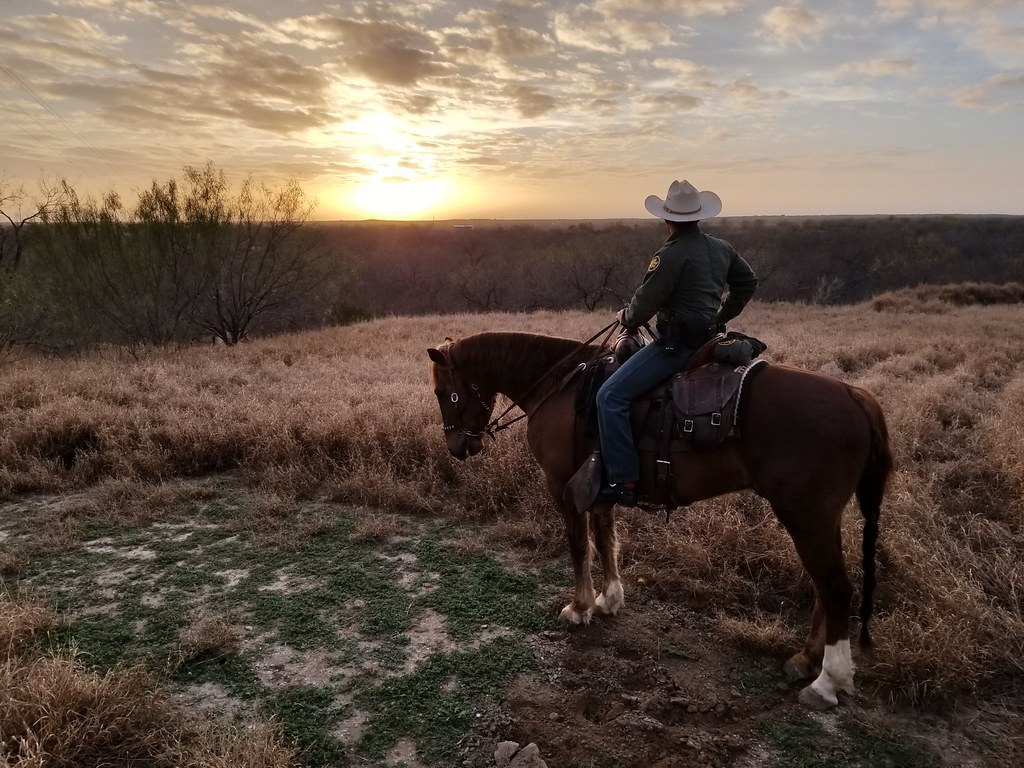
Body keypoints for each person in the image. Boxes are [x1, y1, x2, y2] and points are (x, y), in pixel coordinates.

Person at [596, 179, 758, 506]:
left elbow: (644, 305)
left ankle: (622, 480)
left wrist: (625, 317)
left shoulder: (669, 254)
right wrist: (722, 316)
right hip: (710, 339)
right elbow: (748, 282)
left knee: (609, 396)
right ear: (698, 217)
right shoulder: (721, 248)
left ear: (667, 218)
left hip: (676, 348)